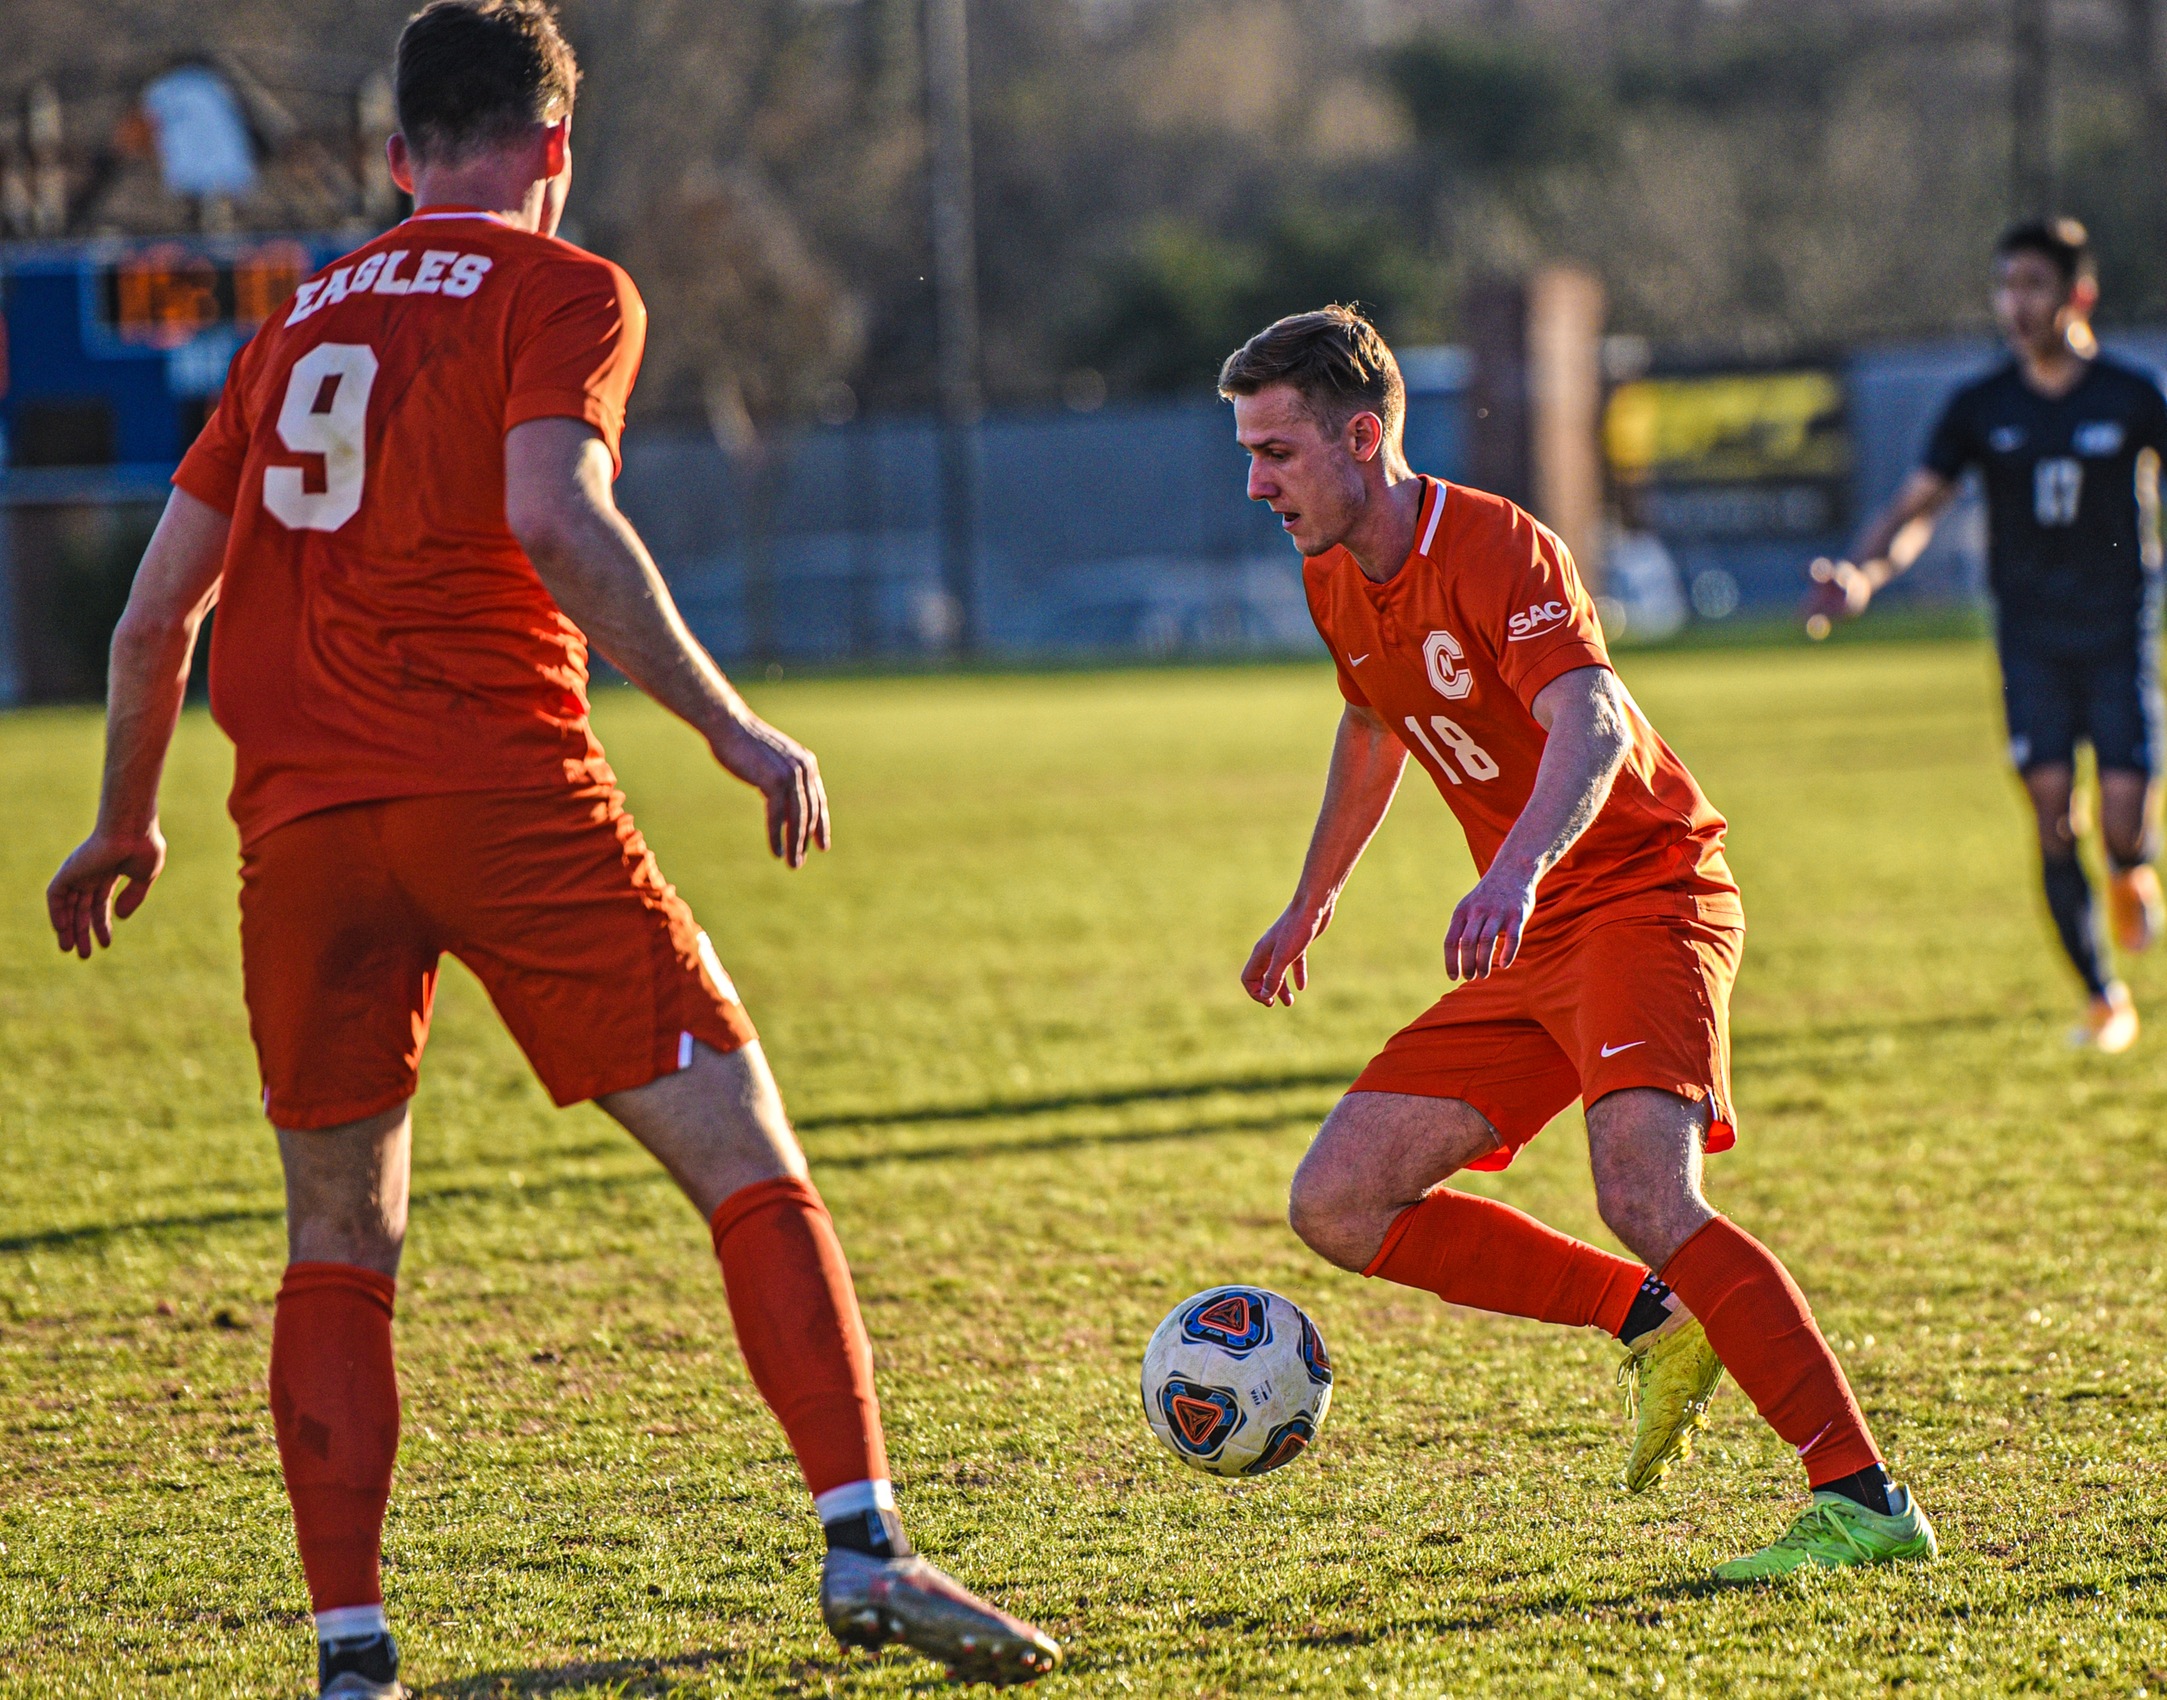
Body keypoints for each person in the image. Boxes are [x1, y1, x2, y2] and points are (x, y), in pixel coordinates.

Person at [42, 4, 1058, 1692]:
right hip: (502, 797)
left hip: (299, 832)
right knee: (744, 1152)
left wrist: (126, 816)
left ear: (393, 155)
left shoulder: (288, 330)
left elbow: (156, 621)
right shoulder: (565, 289)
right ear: (556, 148)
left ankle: (352, 1656)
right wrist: (732, 726)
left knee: (337, 1236)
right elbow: (548, 516)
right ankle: (866, 1547)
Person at [1224, 305, 1937, 1580]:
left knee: (1647, 1194)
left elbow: (1594, 721)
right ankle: (1651, 1319)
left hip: (1643, 890)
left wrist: (1510, 869)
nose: (1255, 479)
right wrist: (1310, 895)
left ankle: (1864, 1496)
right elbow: (1374, 725)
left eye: (1276, 450)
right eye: (1249, 450)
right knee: (1336, 1199)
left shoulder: (1497, 544)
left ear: (1362, 435)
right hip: (1537, 924)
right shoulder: (1329, 570)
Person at [1813, 217, 2167, 1052]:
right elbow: (1915, 509)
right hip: (2029, 637)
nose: (2015, 303)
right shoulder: (1980, 407)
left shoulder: (2128, 395)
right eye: (2006, 285)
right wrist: (1863, 573)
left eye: (2033, 286)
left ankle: (2126, 868)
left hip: (2116, 629)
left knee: (2122, 810)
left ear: (2076, 295)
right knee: (2049, 809)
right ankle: (2101, 996)